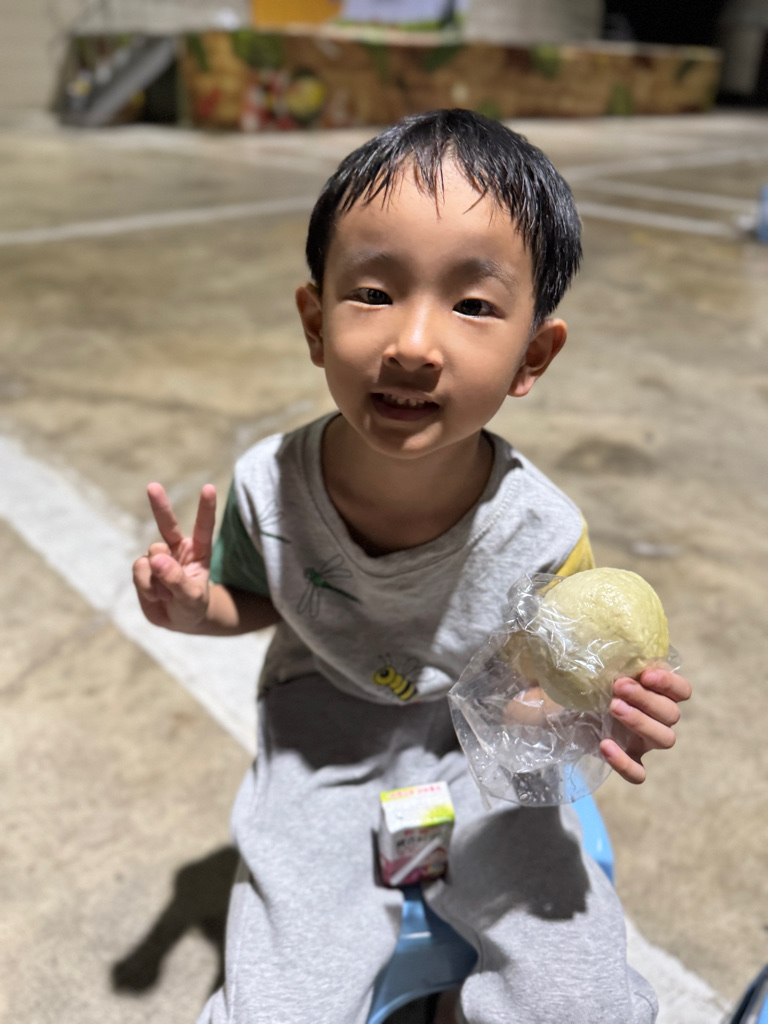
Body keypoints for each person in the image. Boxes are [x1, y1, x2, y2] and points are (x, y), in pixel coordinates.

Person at [133, 109, 691, 1024]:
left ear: (532, 355)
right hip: (321, 741)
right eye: (372, 292)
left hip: (476, 751)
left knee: (576, 993)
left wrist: (594, 719)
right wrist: (196, 609)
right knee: (277, 1004)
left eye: (473, 305)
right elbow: (255, 599)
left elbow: (528, 702)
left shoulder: (545, 534)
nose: (415, 344)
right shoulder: (267, 485)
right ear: (315, 322)